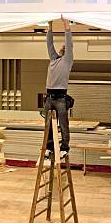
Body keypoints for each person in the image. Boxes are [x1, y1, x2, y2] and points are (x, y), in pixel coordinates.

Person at [44, 16, 73, 159]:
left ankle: (65, 146)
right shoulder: (53, 58)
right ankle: (49, 147)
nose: (63, 48)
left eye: (65, 48)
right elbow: (49, 44)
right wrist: (50, 26)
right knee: (48, 125)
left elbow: (69, 42)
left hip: (61, 97)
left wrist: (66, 25)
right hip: (49, 96)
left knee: (63, 123)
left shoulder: (67, 60)